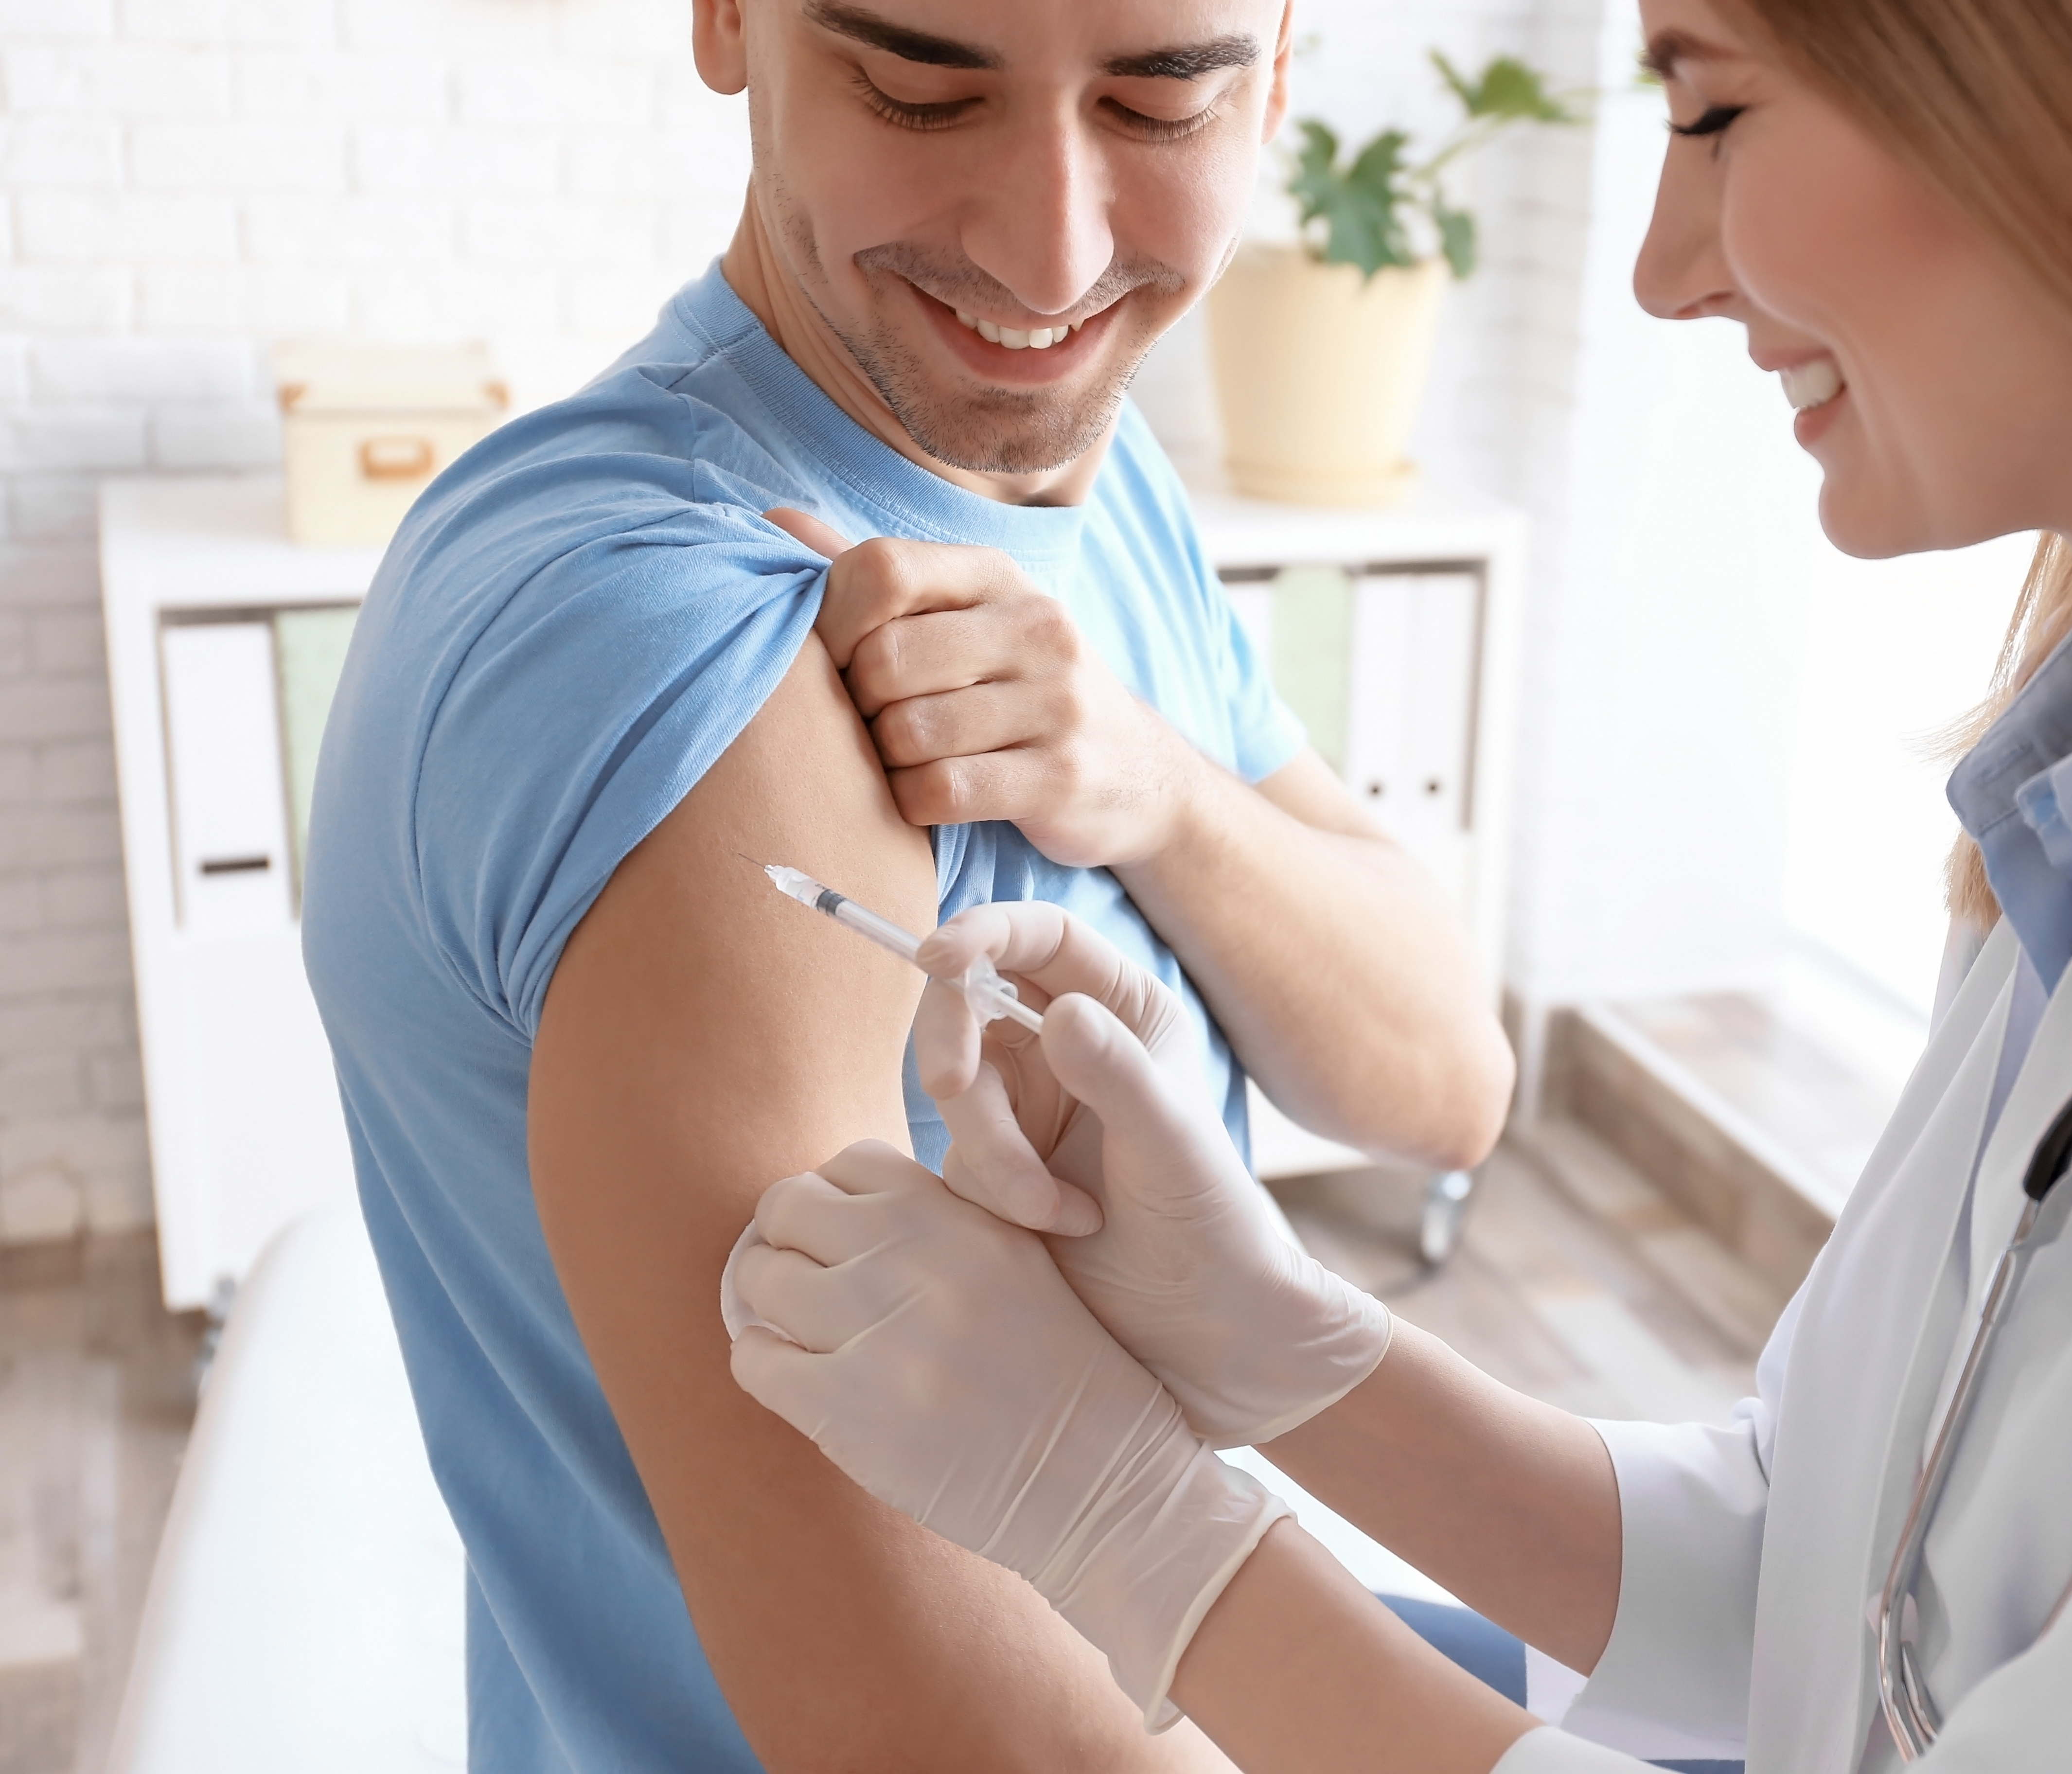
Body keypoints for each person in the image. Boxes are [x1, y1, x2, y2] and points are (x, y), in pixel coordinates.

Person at [721, 0, 2072, 1769]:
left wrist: (1150, 1534)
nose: (1658, 270)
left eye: (1714, 106)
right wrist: (1285, 1349)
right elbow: (1843, 1590)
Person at [301, 1, 1515, 1769]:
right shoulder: (675, 643)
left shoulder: (1091, 472)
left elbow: (1445, 1076)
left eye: (1163, 104)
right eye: (921, 89)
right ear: (727, 22)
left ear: (1280, 70)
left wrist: (1153, 792)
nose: (1053, 254)